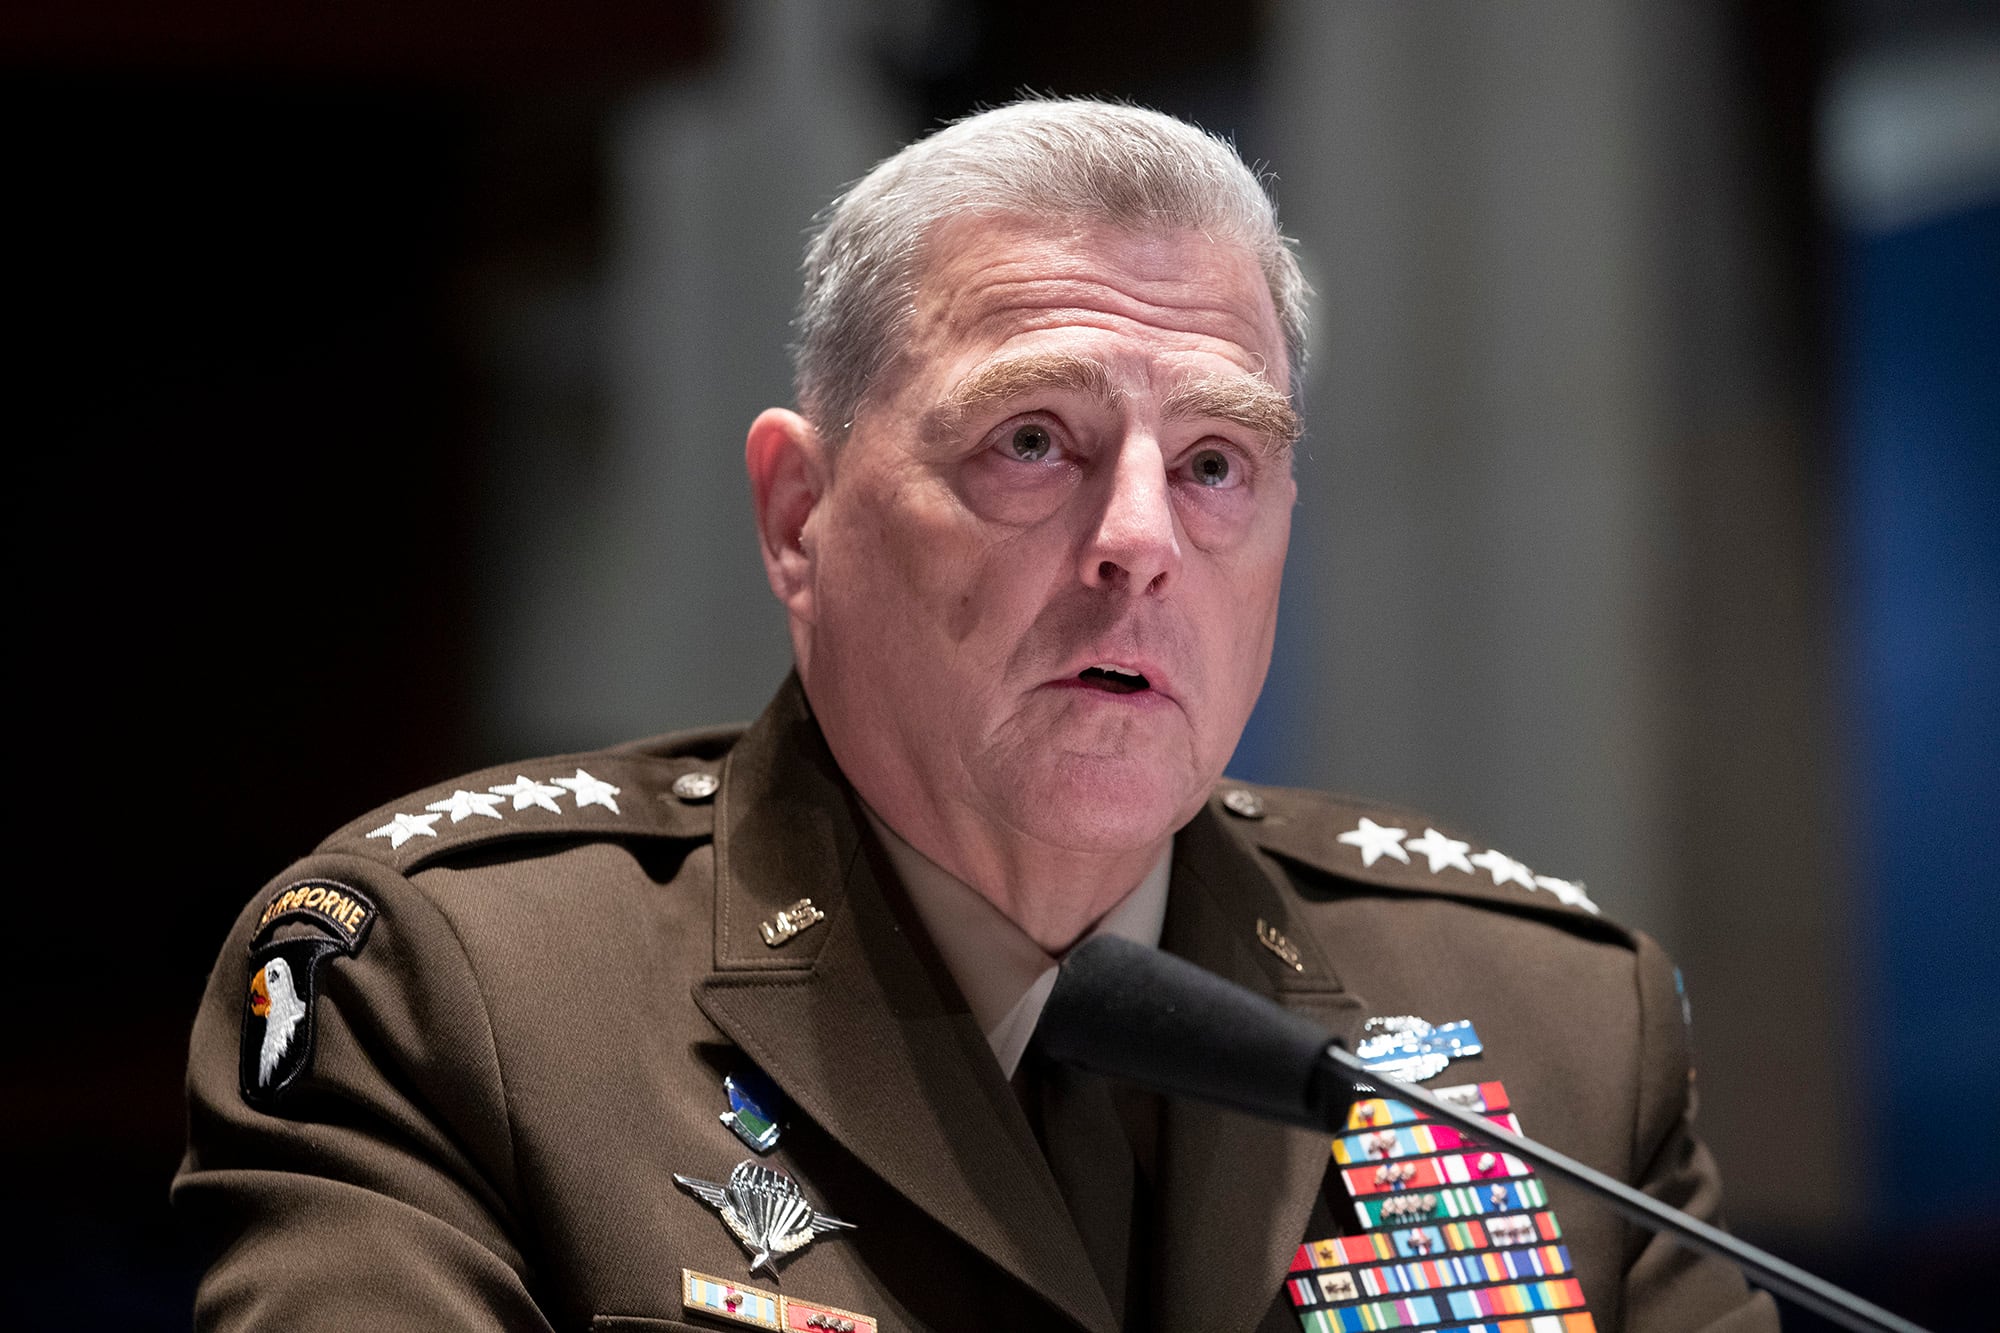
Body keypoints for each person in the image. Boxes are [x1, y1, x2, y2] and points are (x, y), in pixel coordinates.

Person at [175, 99, 1777, 1333]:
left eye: (1216, 462)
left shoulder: (1556, 1024)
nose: (1141, 536)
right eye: (1032, 439)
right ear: (800, 516)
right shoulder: (455, 995)